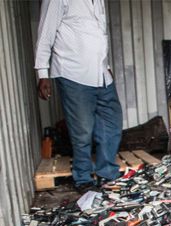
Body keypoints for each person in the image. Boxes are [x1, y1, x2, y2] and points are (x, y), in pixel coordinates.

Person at [35, 0, 123, 192]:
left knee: (112, 123)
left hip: (101, 74)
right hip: (73, 72)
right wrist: (43, 73)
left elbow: (98, 34)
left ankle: (107, 174)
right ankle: (83, 179)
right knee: (82, 130)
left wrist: (106, 66)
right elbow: (45, 33)